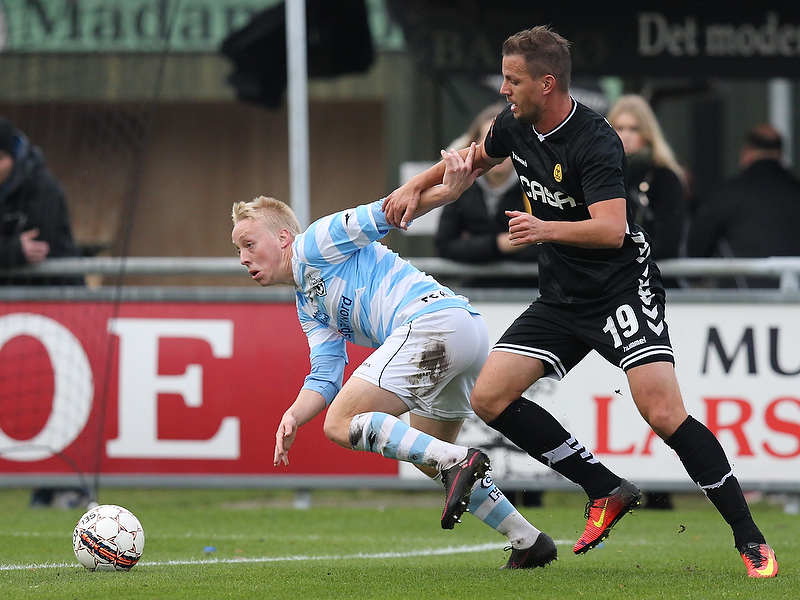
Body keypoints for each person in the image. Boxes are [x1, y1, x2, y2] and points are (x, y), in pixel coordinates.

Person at [383, 26, 777, 578]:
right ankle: (605, 488)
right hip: (563, 296)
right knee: (490, 397)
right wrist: (412, 188)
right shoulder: (515, 125)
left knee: (662, 413)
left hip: (619, 288)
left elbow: (612, 230)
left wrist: (544, 229)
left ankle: (749, 535)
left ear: (547, 83)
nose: (502, 88)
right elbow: (472, 161)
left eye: (512, 79)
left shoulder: (595, 140)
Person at [230, 146, 558, 569]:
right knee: (431, 458)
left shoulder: (315, 242)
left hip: (432, 324)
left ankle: (458, 461)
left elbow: (390, 211)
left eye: (249, 243)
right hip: (462, 330)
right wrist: (294, 414)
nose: (243, 258)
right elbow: (326, 374)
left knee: (341, 424)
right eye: (239, 250)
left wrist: (446, 194)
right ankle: (528, 542)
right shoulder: (307, 304)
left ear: (282, 238)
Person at [0, 117, 87, 508]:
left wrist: (15, 252)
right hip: (16, 314)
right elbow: (24, 252)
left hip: (60, 312)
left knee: (62, 397)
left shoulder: (43, 189)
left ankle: (66, 486)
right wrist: (12, 251)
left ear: (9, 157)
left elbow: (44, 250)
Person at [436, 102, 539, 287]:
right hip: (475, 290)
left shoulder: (536, 184)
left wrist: (475, 245)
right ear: (473, 147)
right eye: (491, 142)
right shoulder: (462, 187)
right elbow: (445, 246)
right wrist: (501, 243)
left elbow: (546, 245)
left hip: (532, 289)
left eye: (506, 141)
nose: (498, 150)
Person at [687, 123, 800, 288]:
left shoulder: (726, 195)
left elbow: (695, 250)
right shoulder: (795, 192)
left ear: (746, 153)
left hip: (744, 303)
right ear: (781, 154)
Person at [0, 117, 83, 286]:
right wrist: (13, 249)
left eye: (0, 158)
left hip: (54, 293)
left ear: (14, 158)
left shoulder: (43, 188)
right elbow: (21, 250)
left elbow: (39, 246)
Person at [606, 94, 687, 261]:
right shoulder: (598, 173)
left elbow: (668, 241)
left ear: (647, 133)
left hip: (648, 277)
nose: (626, 136)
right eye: (619, 128)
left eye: (634, 129)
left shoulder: (664, 178)